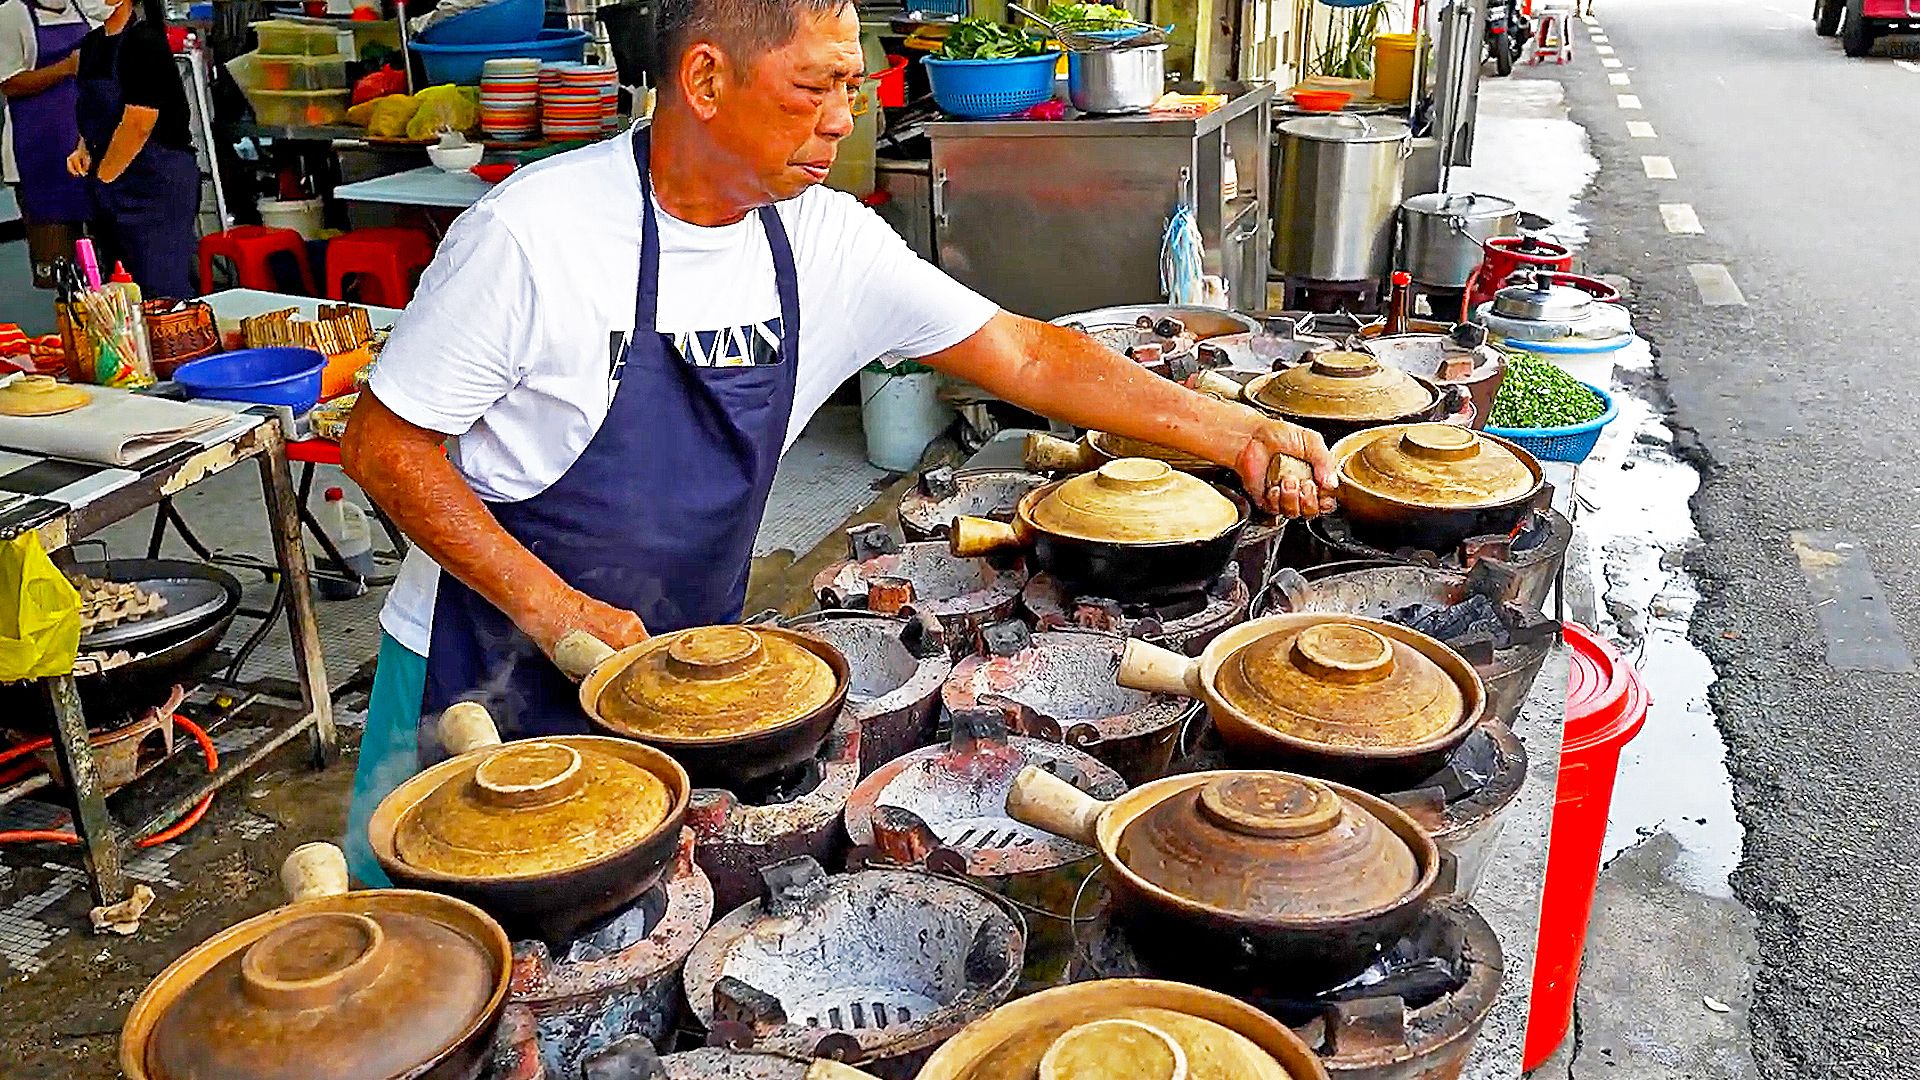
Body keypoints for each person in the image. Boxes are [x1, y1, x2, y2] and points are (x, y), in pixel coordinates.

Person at [336, 0, 1338, 883]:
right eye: (814, 85)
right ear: (706, 78)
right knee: (436, 978)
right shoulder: (535, 236)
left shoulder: (822, 239)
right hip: (482, 673)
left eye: (852, 86)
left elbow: (1029, 358)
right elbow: (384, 449)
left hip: (686, 680)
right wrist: (555, 611)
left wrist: (1239, 428)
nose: (841, 119)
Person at [64, 0, 196, 298]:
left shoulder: (145, 41)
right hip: (112, 180)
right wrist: (82, 148)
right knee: (118, 290)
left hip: (156, 183)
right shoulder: (92, 45)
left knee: (161, 290)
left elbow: (139, 122)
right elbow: (93, 110)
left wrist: (105, 177)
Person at [0, 0, 95, 295]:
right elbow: (8, 83)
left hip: (88, 154)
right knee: (62, 274)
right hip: (37, 159)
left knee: (102, 269)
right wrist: (67, 68)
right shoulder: (12, 13)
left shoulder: (83, 8)